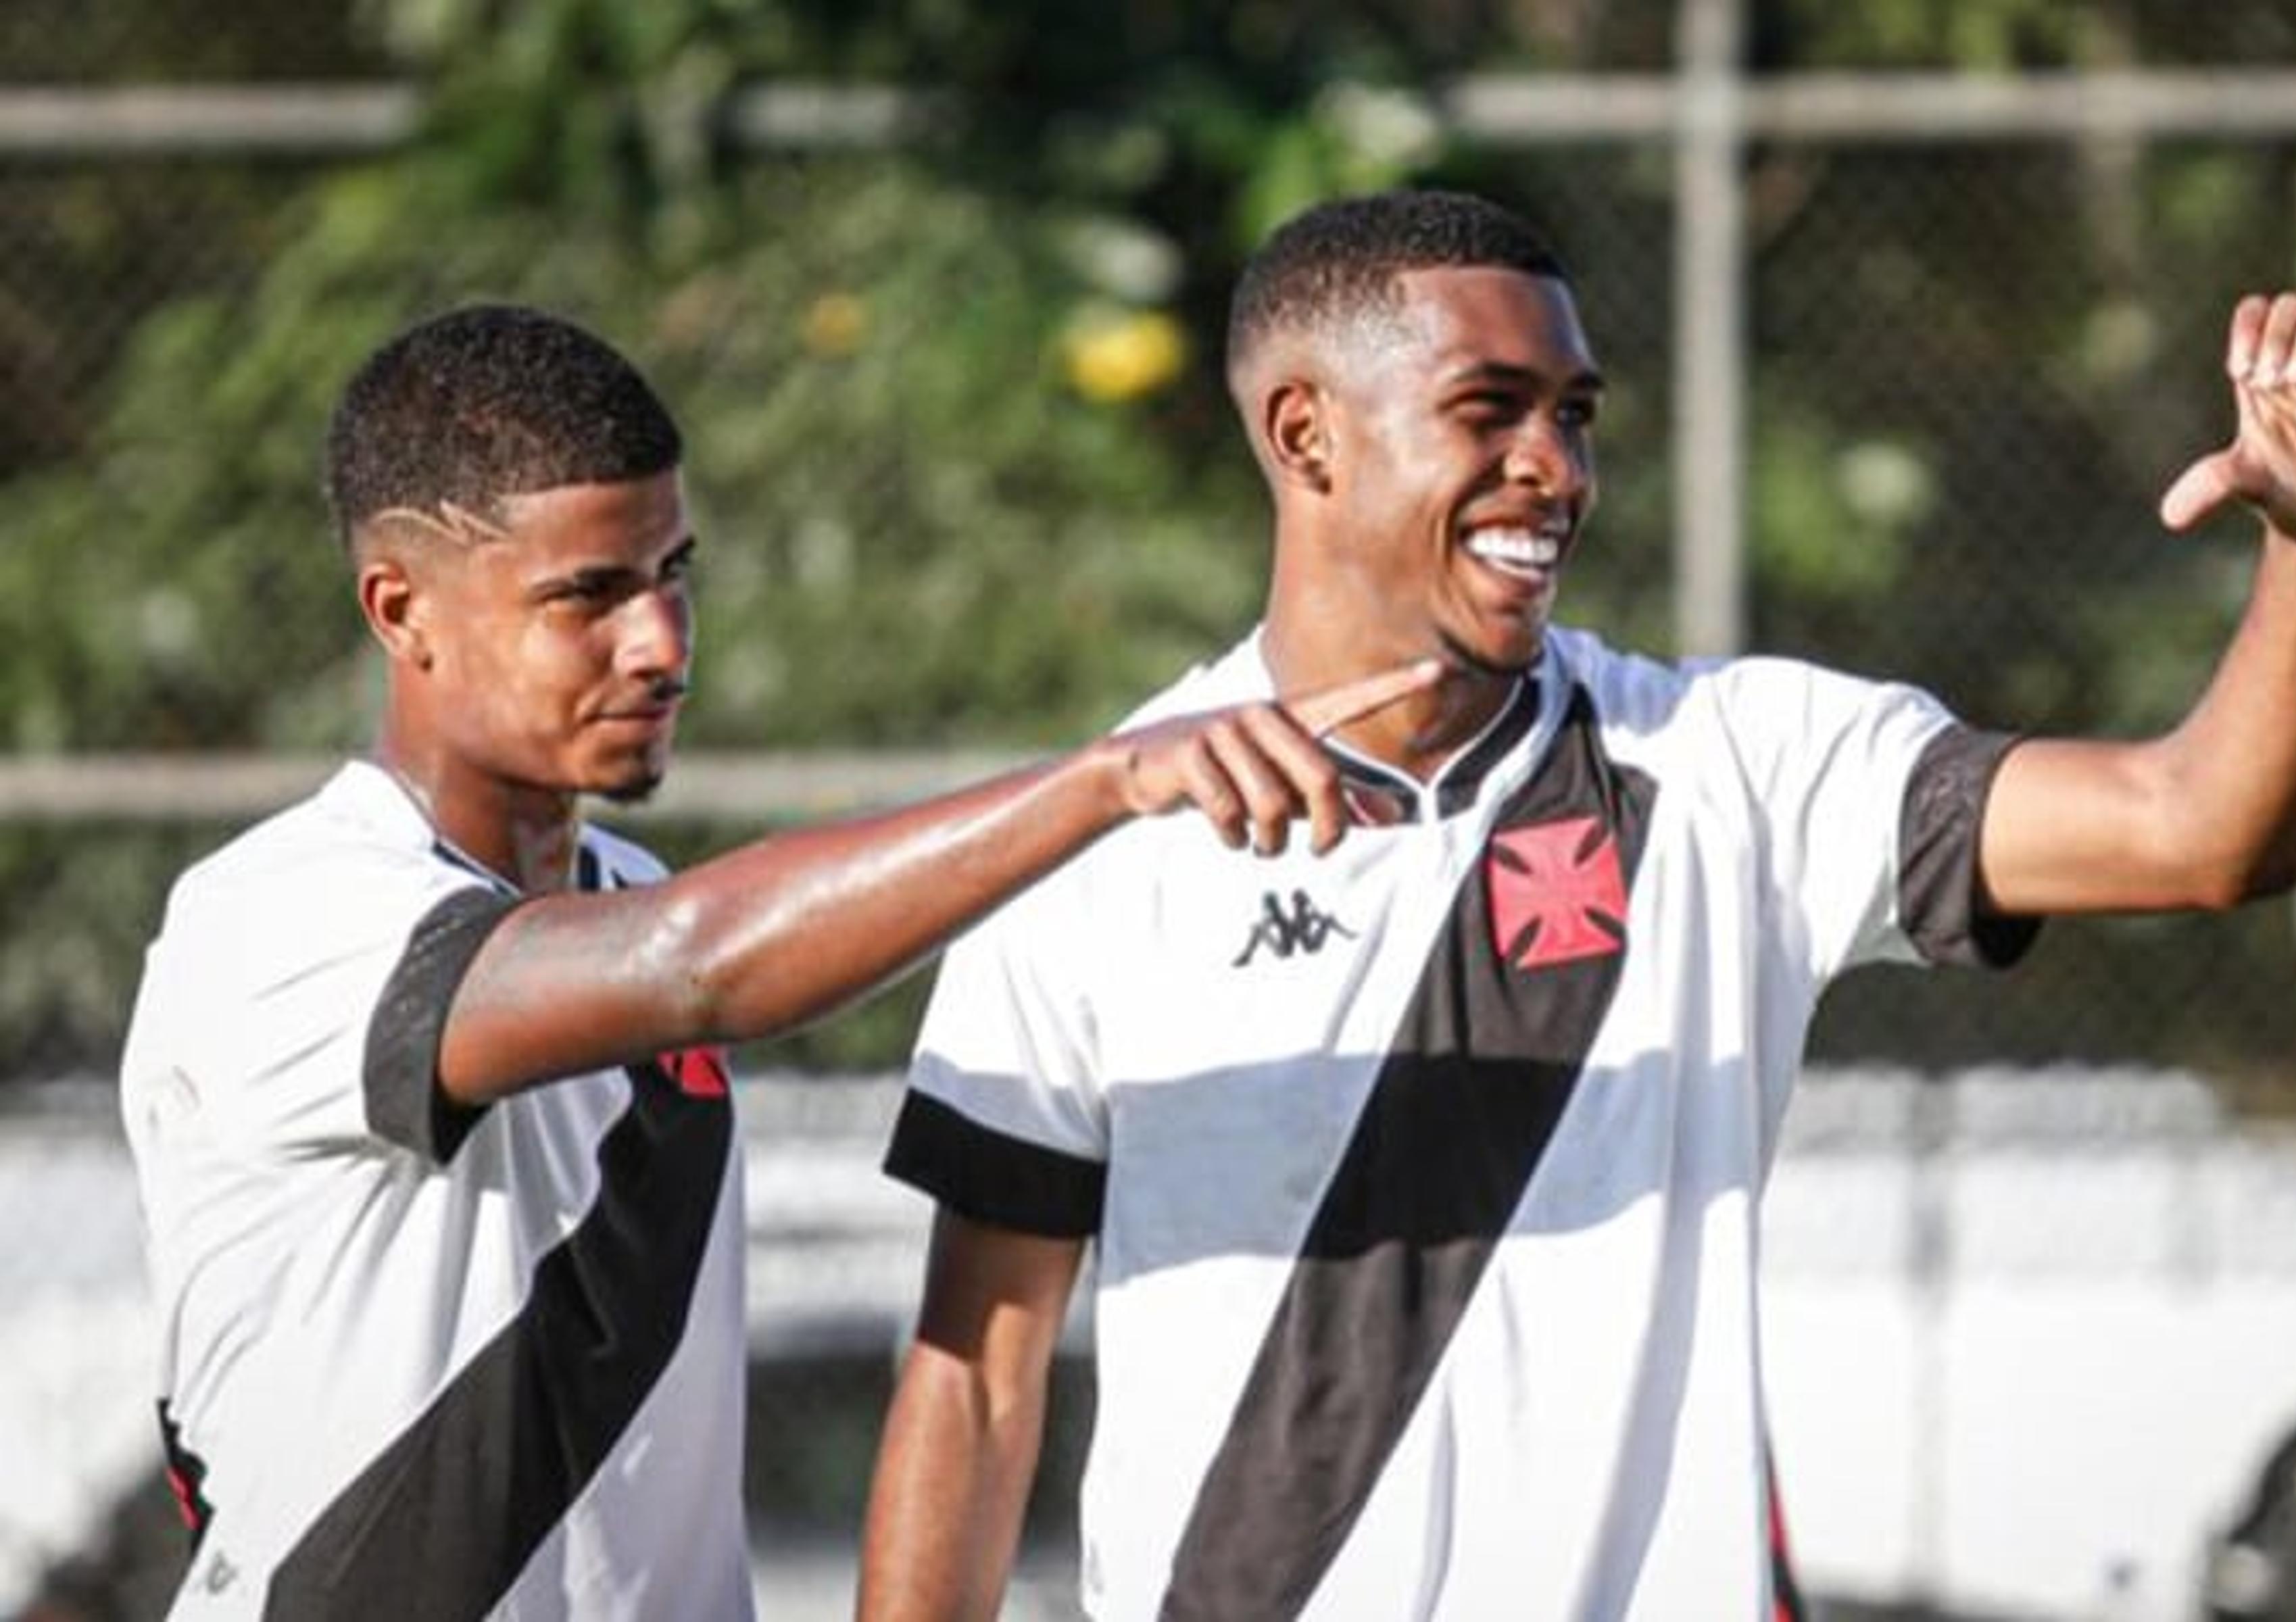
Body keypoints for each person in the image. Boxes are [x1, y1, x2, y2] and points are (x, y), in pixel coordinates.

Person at [858, 189, 2296, 1621]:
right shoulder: (1100, 843)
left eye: (1575, 416)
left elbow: (2200, 833)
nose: (1557, 468)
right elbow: (979, 1379)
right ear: (1305, 435)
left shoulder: (1740, 769)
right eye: (1492, 412)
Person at [116, 303, 1437, 1619]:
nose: (662, 644)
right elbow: (704, 964)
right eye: (588, 596)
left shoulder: (620, 896)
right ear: (403, 612)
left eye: (672, 573)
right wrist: (1106, 782)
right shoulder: (282, 919)